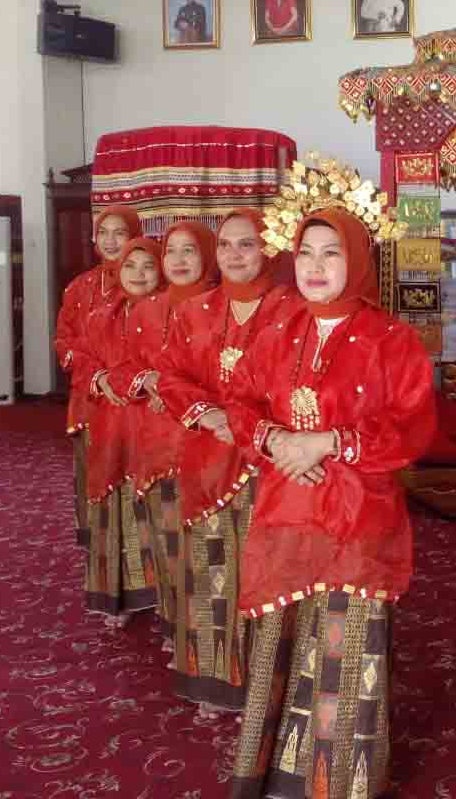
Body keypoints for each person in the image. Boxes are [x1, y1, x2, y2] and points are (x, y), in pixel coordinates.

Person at [224, 207, 436, 799]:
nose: (316, 266)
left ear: (358, 261)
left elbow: (414, 426)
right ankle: (278, 778)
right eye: (308, 253)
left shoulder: (392, 340)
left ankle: (341, 783)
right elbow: (241, 405)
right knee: (281, 640)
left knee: (347, 646)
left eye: (332, 253)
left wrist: (331, 441)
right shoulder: (275, 331)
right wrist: (276, 441)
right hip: (286, 508)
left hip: (360, 515)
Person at [157, 210, 301, 714]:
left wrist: (251, 424)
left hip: (271, 458)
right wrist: (209, 414)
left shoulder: (294, 308)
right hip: (208, 454)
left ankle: (270, 683)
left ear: (268, 251)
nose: (236, 255)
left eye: (248, 245)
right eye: (226, 246)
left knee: (270, 566)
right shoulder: (193, 310)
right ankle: (217, 681)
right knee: (213, 564)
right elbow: (171, 375)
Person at [114, 221, 219, 647]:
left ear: (207, 256)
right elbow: (123, 367)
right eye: (171, 250)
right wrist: (150, 381)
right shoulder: (144, 311)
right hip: (155, 436)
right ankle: (174, 621)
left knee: (206, 542)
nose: (177, 259)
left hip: (207, 440)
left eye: (189, 250)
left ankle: (208, 633)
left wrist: (177, 391)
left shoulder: (224, 307)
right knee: (165, 533)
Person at [76, 237, 164, 626]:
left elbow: (168, 368)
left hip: (153, 424)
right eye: (131, 266)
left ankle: (167, 602)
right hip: (112, 423)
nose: (139, 274)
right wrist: (98, 377)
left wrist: (129, 379)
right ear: (118, 270)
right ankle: (126, 596)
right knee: (118, 507)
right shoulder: (100, 315)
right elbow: (81, 359)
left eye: (148, 266)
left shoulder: (173, 313)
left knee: (157, 511)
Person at [55, 204, 141, 547]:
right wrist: (98, 377)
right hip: (90, 398)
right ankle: (103, 561)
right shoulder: (79, 288)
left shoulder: (145, 280)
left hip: (131, 402)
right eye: (103, 232)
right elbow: (65, 341)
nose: (110, 240)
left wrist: (118, 379)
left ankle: (140, 571)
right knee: (95, 474)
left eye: (119, 233)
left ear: (133, 236)